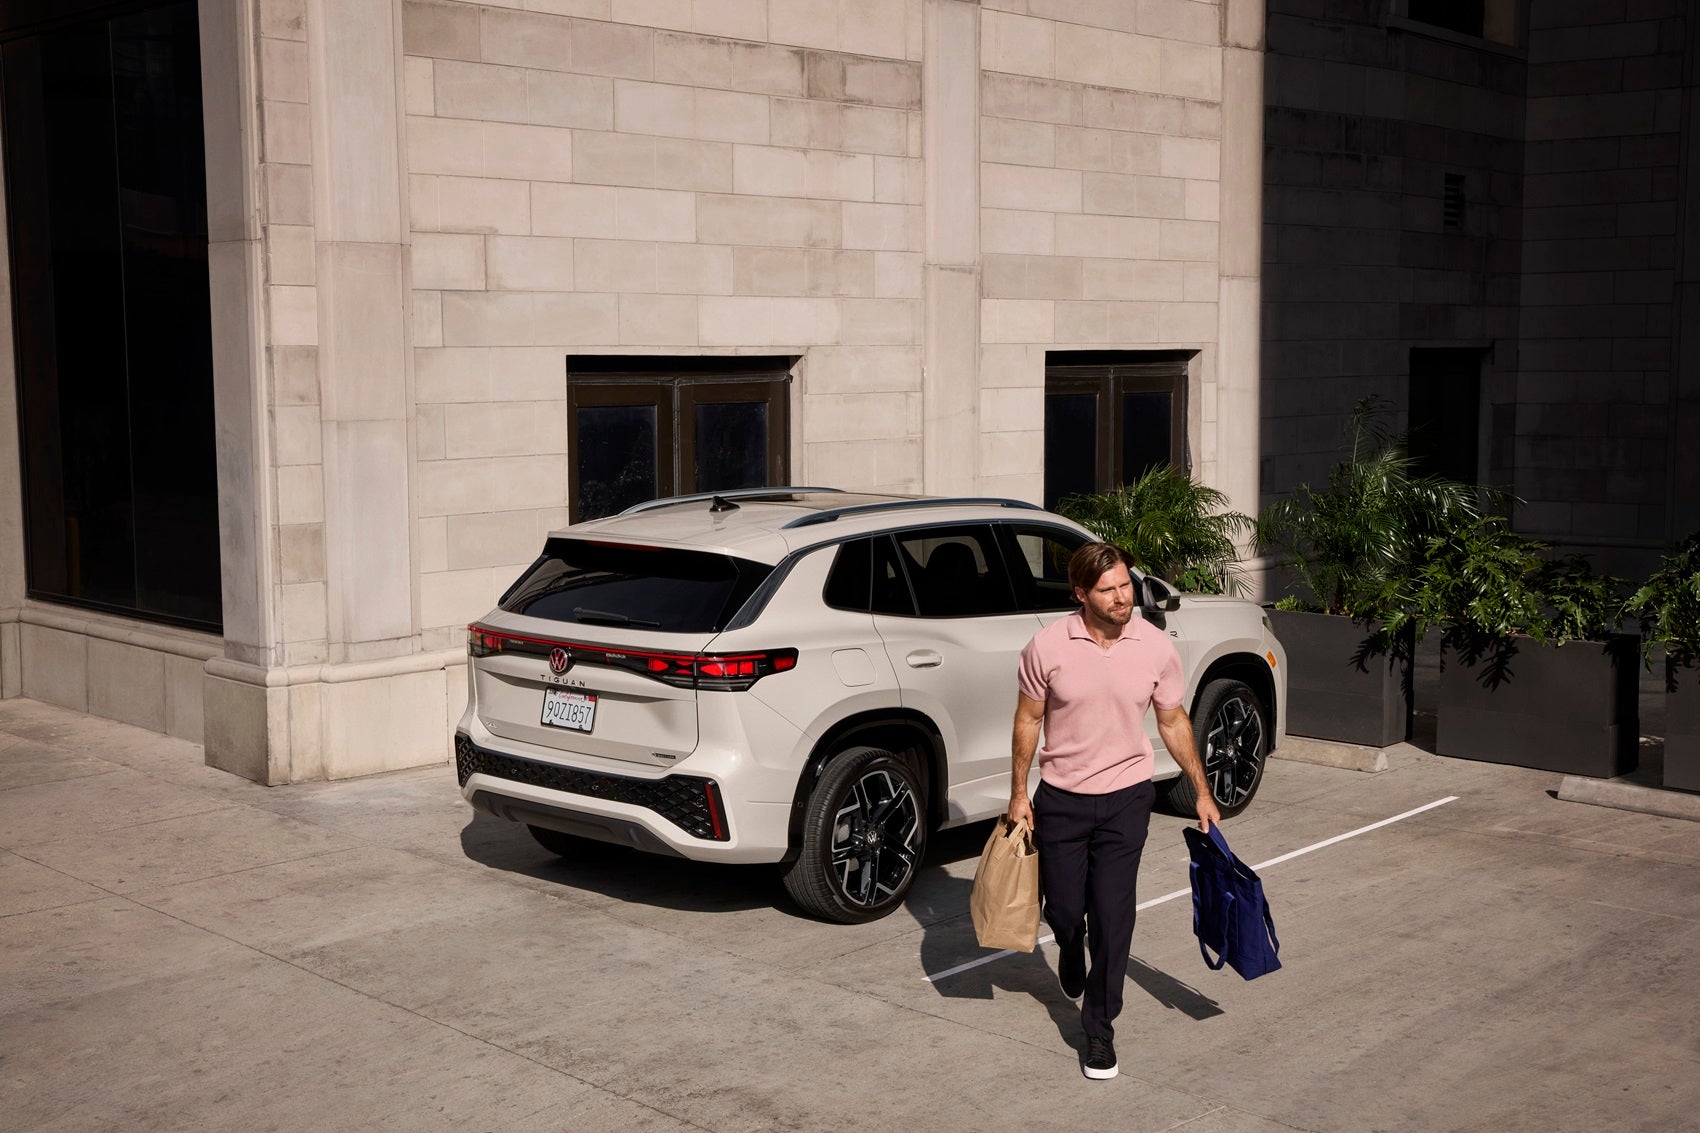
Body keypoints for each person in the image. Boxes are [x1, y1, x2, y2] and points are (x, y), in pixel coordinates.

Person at [1009, 541, 1221, 1080]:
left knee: (1113, 915)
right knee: (1061, 909)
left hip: (1128, 798)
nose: (1122, 597)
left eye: (1126, 585)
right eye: (1108, 590)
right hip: (1060, 798)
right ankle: (1069, 941)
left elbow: (1173, 721)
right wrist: (1017, 794)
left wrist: (1200, 790)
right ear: (1081, 594)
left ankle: (1099, 1030)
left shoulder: (1155, 646)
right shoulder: (1047, 647)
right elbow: (1028, 720)